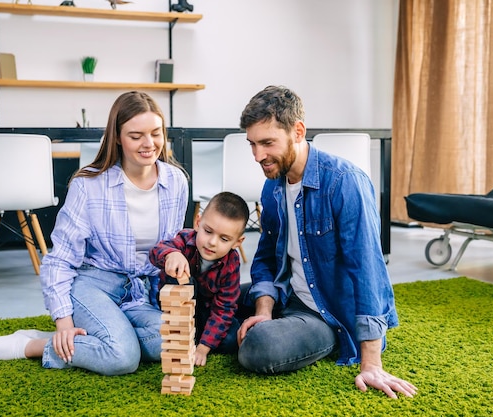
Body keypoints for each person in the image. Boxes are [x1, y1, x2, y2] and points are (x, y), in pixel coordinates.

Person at [0, 91, 189, 376]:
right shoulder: (89, 185)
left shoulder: (176, 181)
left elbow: (173, 243)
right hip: (94, 285)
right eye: (136, 136)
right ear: (117, 137)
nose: (149, 144)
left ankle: (108, 335)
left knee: (175, 341)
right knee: (123, 358)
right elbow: (60, 260)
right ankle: (31, 345)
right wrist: (64, 324)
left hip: (141, 292)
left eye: (156, 133)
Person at [236, 85, 417, 398]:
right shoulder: (273, 187)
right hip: (288, 295)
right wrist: (264, 310)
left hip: (327, 313)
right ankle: (265, 324)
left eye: (267, 143)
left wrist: (371, 361)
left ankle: (322, 338)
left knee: (259, 346)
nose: (257, 156)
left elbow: (367, 268)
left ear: (297, 131)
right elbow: (265, 257)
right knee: (211, 296)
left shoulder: (345, 182)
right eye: (252, 144)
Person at [149, 191, 249, 367]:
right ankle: (186, 334)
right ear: (198, 222)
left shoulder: (231, 263)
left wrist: (203, 347)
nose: (212, 242)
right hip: (174, 310)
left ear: (237, 242)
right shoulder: (185, 239)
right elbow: (156, 251)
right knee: (183, 279)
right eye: (208, 231)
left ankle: (199, 337)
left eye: (224, 239)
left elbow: (224, 308)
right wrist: (171, 254)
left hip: (205, 313)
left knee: (231, 338)